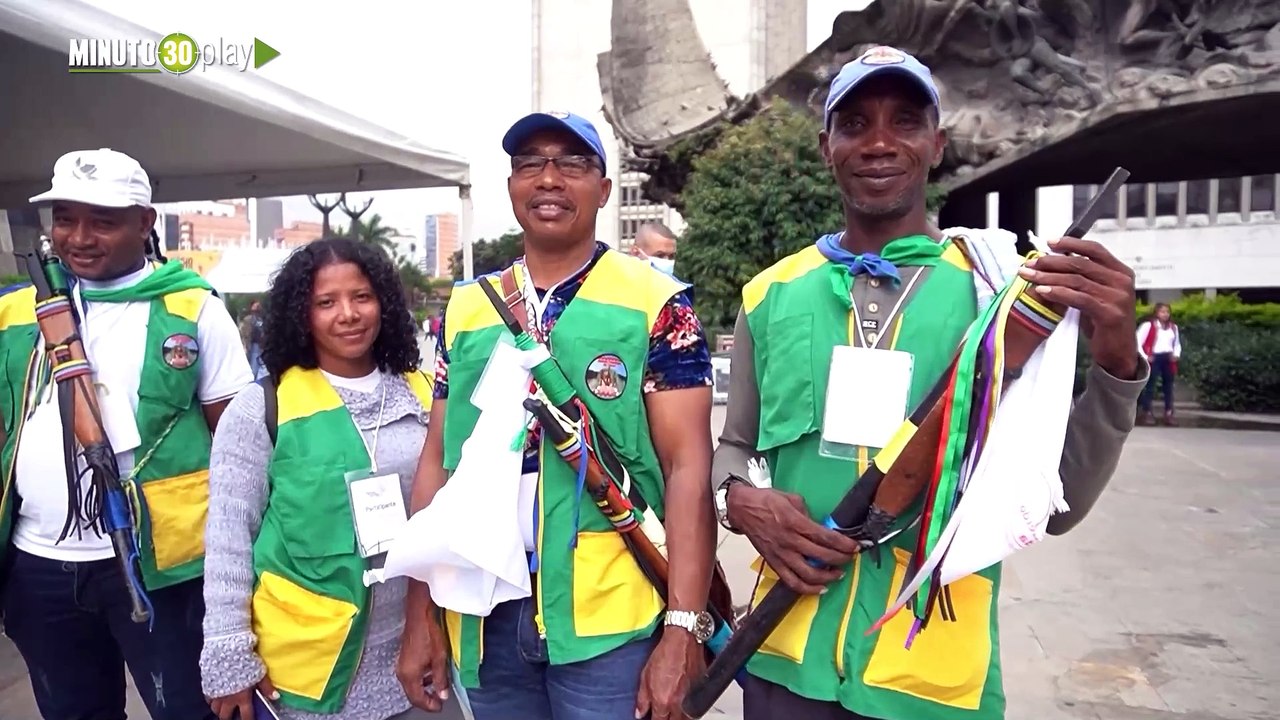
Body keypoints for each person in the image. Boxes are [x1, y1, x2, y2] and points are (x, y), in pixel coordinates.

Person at [710, 47, 1151, 720]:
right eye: (855, 124)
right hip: (783, 658)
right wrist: (738, 499)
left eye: (905, 121)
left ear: (936, 143)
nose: (880, 142)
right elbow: (735, 444)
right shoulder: (771, 294)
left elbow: (1058, 505)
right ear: (827, 147)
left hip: (930, 680)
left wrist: (1117, 361)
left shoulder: (1007, 295)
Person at [397, 111, 717, 720]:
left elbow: (688, 468)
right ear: (512, 185)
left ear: (603, 188)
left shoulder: (655, 302)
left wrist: (682, 628)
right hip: (482, 607)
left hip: (611, 616)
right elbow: (437, 462)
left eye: (573, 163)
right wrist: (422, 613)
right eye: (531, 164)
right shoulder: (465, 309)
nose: (549, 179)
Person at [0, 147, 253, 720]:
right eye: (65, 218)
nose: (79, 237)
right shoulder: (19, 311)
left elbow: (241, 452)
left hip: (165, 568)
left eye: (103, 221)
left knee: (188, 710)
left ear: (146, 223)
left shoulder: (192, 308)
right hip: (38, 565)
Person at [199, 238, 443, 720]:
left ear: (385, 304)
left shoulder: (426, 393)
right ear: (300, 314)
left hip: (417, 653)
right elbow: (228, 537)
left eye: (362, 297)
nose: (348, 314)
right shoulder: (262, 408)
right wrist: (230, 653)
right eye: (325, 302)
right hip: (304, 674)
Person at [1136, 302, 1182, 426]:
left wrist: (1176, 354)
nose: (1165, 314)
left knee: (1168, 387)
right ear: (1156, 313)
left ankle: (1168, 412)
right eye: (1162, 312)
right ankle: (1147, 412)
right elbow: (1137, 342)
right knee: (1150, 386)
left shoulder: (1173, 327)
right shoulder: (1148, 326)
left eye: (1167, 312)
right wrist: (1145, 357)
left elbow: (1177, 343)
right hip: (1154, 357)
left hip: (1168, 357)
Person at [240, 299, 266, 378]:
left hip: (262, 346)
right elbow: (245, 333)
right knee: (254, 368)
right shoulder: (248, 319)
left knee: (262, 369)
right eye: (255, 305)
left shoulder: (261, 318)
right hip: (254, 345)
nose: (257, 307)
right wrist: (245, 345)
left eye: (258, 305)